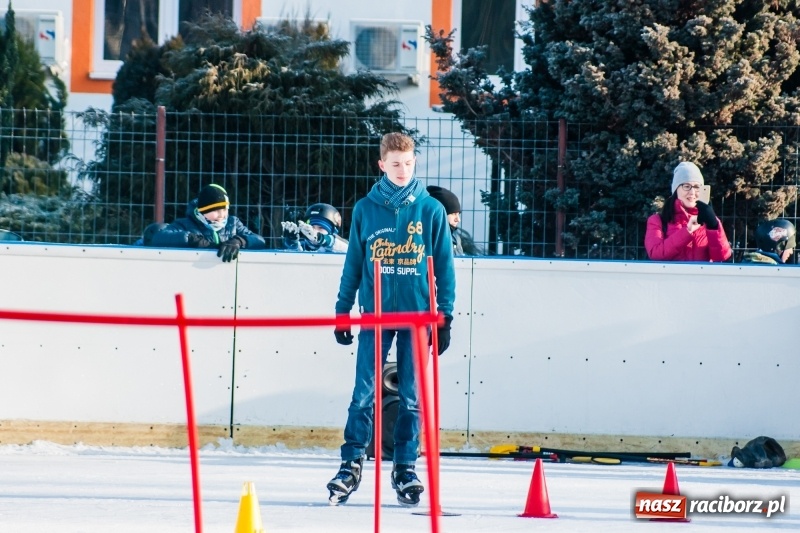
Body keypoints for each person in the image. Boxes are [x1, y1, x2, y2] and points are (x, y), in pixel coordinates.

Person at [326, 132, 456, 507]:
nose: (403, 170)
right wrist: (342, 311)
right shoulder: (366, 209)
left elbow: (445, 268)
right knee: (363, 393)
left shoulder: (430, 210)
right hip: (376, 315)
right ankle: (351, 463)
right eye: (396, 164)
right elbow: (353, 265)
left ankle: (404, 467)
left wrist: (445, 317)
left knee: (412, 397)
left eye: (409, 163)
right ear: (382, 164)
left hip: (417, 318)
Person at [150, 183, 266, 261]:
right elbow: (158, 237)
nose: (222, 215)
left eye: (225, 210)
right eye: (216, 211)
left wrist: (239, 241)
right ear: (203, 211)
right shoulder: (185, 224)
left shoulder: (233, 224)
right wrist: (191, 239)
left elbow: (259, 240)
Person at [644, 161, 732, 262]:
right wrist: (687, 231)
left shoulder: (708, 221)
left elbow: (721, 256)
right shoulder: (657, 221)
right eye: (686, 186)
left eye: (697, 187)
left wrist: (713, 226)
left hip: (699, 273)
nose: (692, 192)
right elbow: (655, 253)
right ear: (676, 190)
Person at [426, 185, 483, 256]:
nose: (458, 219)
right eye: (453, 214)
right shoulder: (426, 238)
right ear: (439, 214)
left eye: (458, 214)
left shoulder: (455, 237)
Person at [281, 203, 349, 253]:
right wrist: (292, 243)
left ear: (333, 232)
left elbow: (347, 249)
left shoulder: (339, 246)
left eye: (321, 228)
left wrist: (320, 238)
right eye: (311, 227)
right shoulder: (303, 246)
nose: (315, 231)